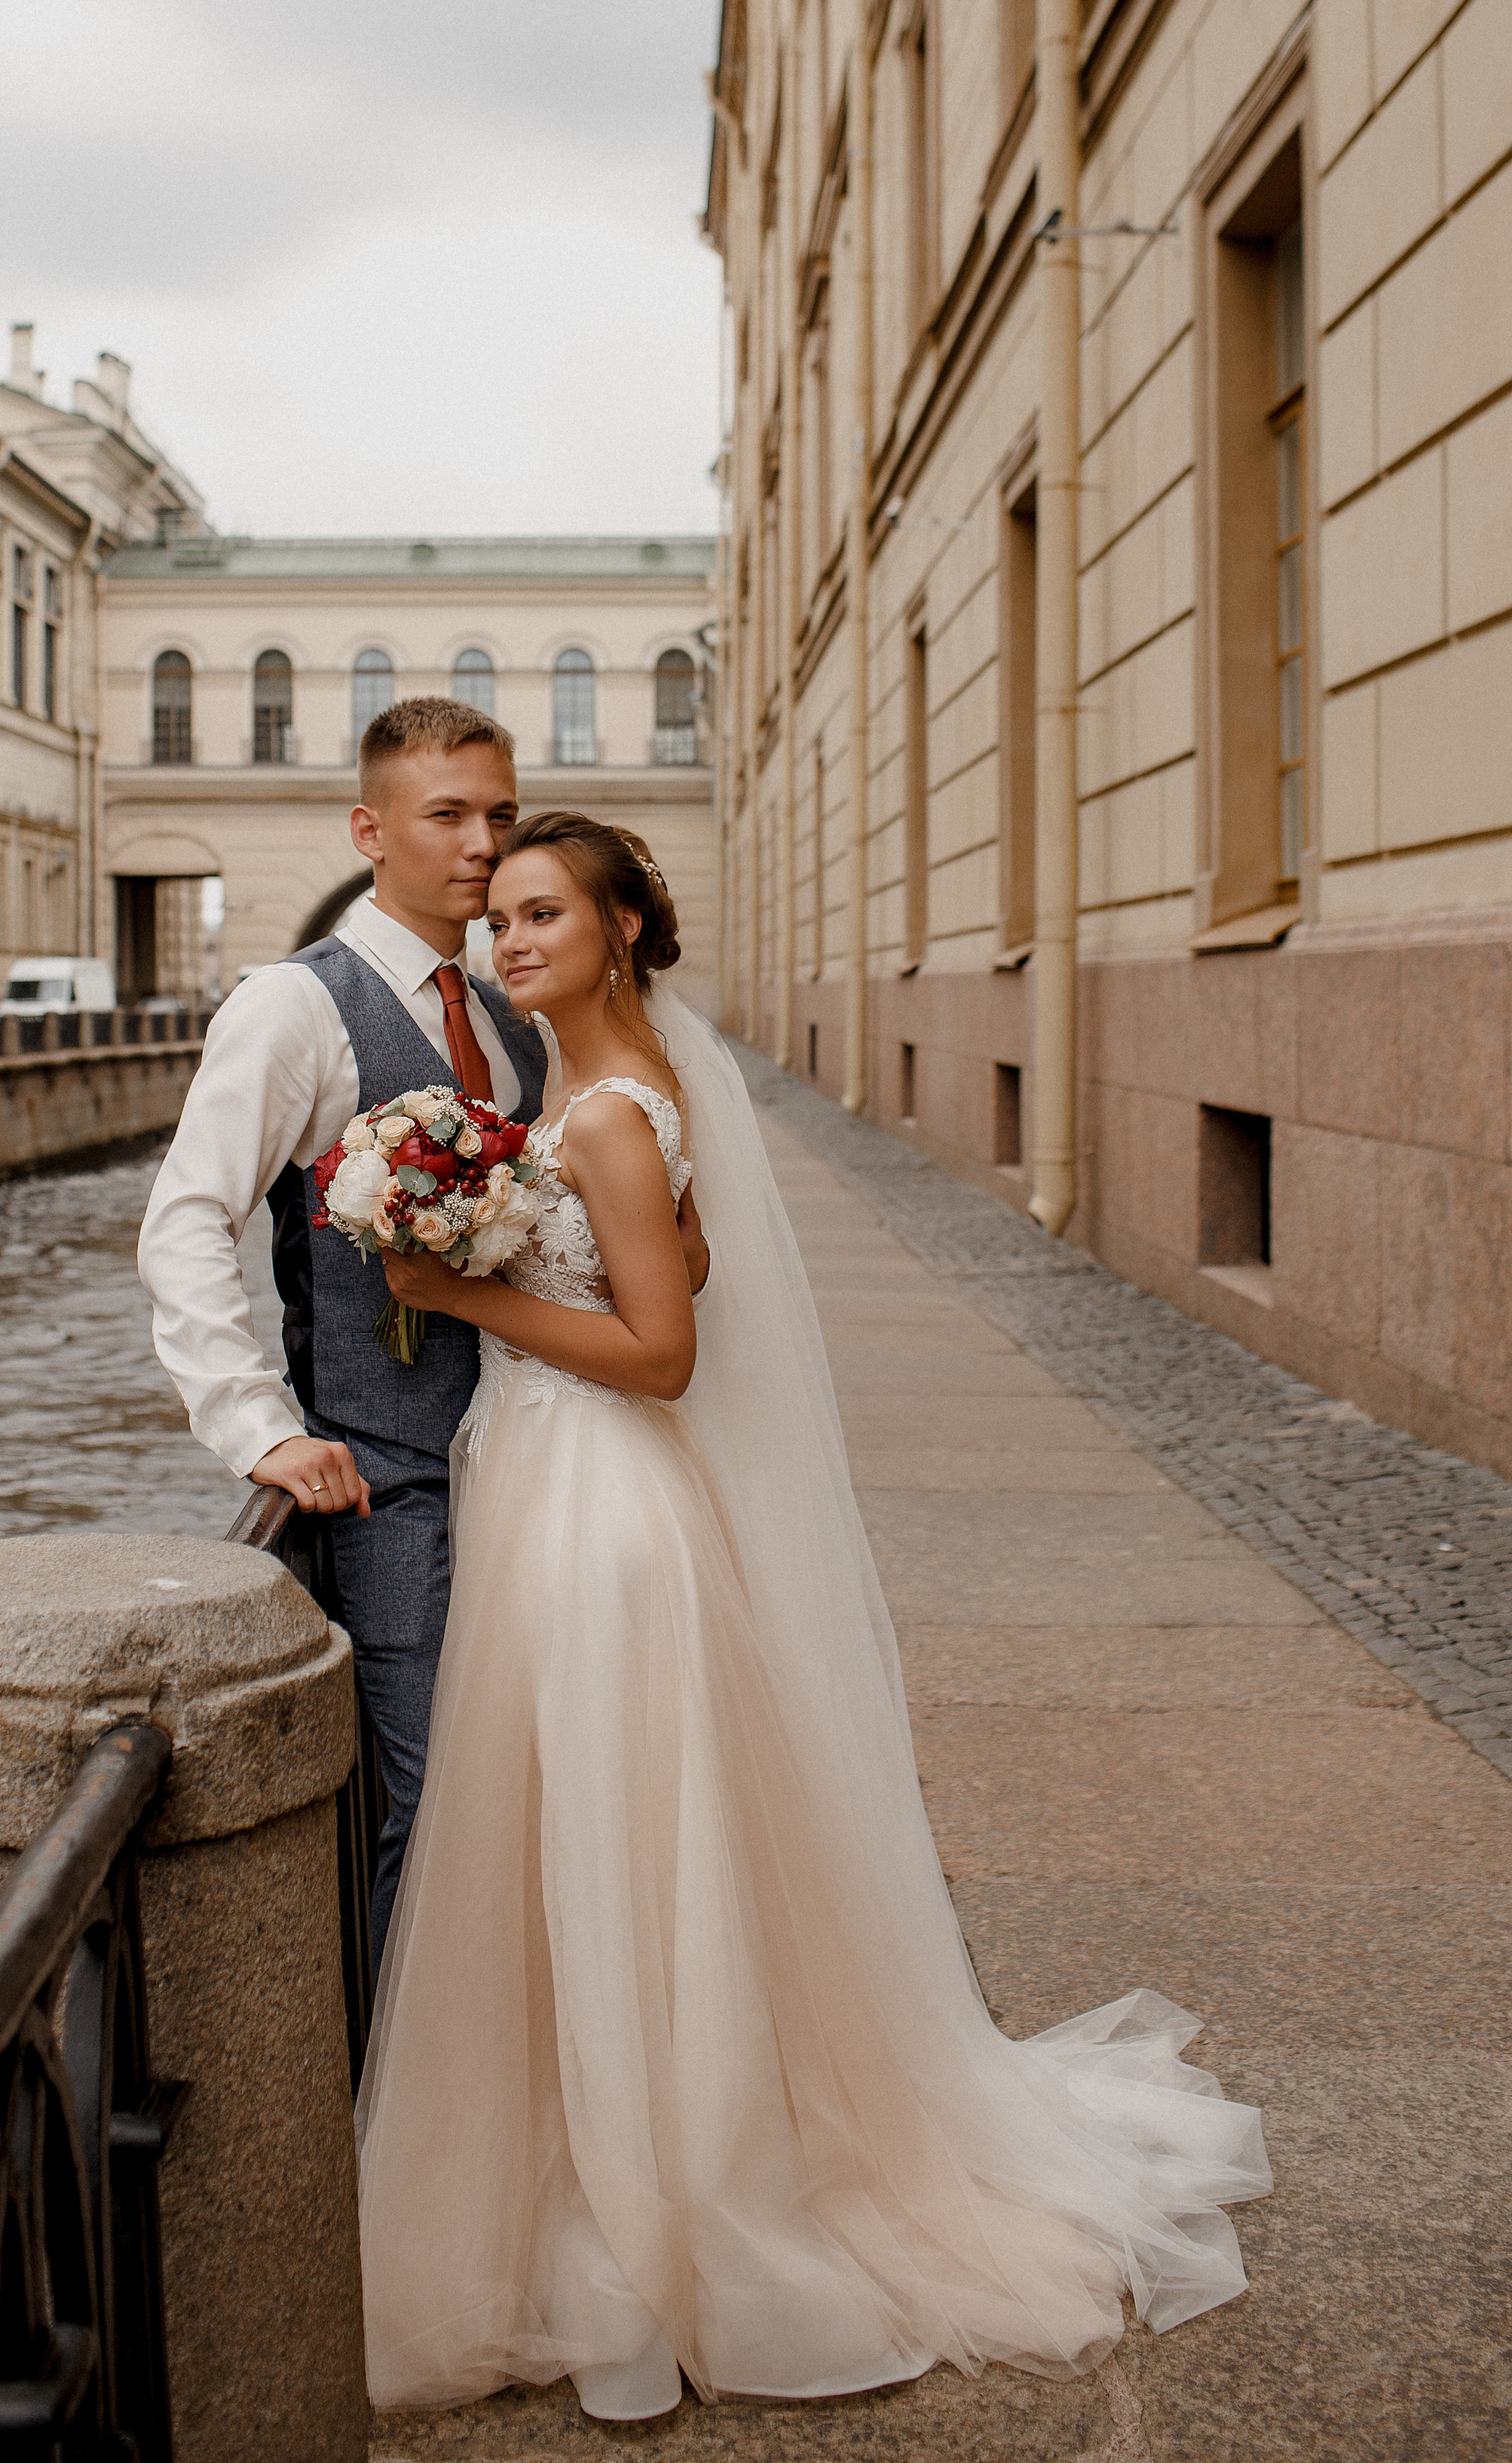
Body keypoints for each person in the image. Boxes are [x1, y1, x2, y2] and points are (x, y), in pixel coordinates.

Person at [354, 810, 1271, 2422]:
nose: (509, 942)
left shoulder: (611, 1116)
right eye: (497, 919)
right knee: (601, 1832)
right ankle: (616, 2148)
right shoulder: (595, 1093)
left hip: (603, 1514)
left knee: (621, 1833)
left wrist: (457, 1288)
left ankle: (668, 2198)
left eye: (543, 914)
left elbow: (661, 1353)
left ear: (622, 929)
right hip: (559, 1491)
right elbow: (692, 1267)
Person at [136, 700, 705, 1966]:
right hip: (388, 1480)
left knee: (541, 1787)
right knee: (433, 1802)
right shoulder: (293, 1006)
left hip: (540, 1461)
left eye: (499, 814)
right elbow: (186, 1221)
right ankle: (401, 2123)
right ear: (370, 829)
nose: (482, 844)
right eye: (448, 814)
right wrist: (257, 1427)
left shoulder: (517, 1011)